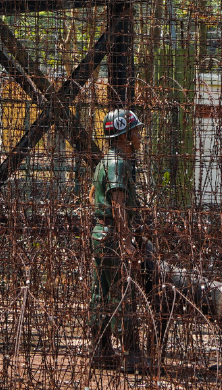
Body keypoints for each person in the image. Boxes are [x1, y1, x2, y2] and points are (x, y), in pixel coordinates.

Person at [89, 107, 153, 374]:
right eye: (136, 131)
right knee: (123, 294)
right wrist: (126, 241)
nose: (139, 136)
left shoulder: (105, 161)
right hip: (113, 237)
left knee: (100, 294)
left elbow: (91, 195)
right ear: (124, 135)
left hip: (100, 234)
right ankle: (132, 355)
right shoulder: (119, 163)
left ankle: (101, 351)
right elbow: (118, 206)